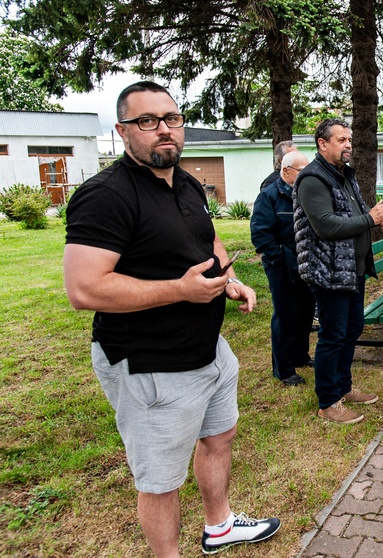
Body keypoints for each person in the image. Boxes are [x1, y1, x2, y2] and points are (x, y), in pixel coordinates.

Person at [63, 81, 279, 557]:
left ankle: (219, 527)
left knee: (219, 437)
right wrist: (179, 290)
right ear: (122, 131)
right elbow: (84, 288)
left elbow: (209, 241)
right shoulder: (106, 195)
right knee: (161, 480)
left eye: (172, 118)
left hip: (208, 350)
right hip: (150, 363)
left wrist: (228, 279)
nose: (164, 130)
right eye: (147, 121)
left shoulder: (184, 181)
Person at [293, 118, 383, 424]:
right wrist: (371, 218)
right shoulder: (313, 179)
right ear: (322, 144)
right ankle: (328, 401)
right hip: (328, 272)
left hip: (351, 271)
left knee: (351, 330)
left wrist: (380, 220)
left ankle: (343, 387)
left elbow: (357, 215)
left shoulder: (344, 175)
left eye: (349, 140)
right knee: (333, 335)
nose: (348, 145)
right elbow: (326, 225)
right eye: (341, 140)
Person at [251, 150, 315, 387]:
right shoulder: (270, 195)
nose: (307, 174)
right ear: (287, 171)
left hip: (305, 263)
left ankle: (300, 355)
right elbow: (260, 235)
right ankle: (284, 369)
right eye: (303, 170)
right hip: (281, 266)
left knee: (306, 311)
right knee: (286, 315)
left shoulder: (304, 192)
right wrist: (280, 258)